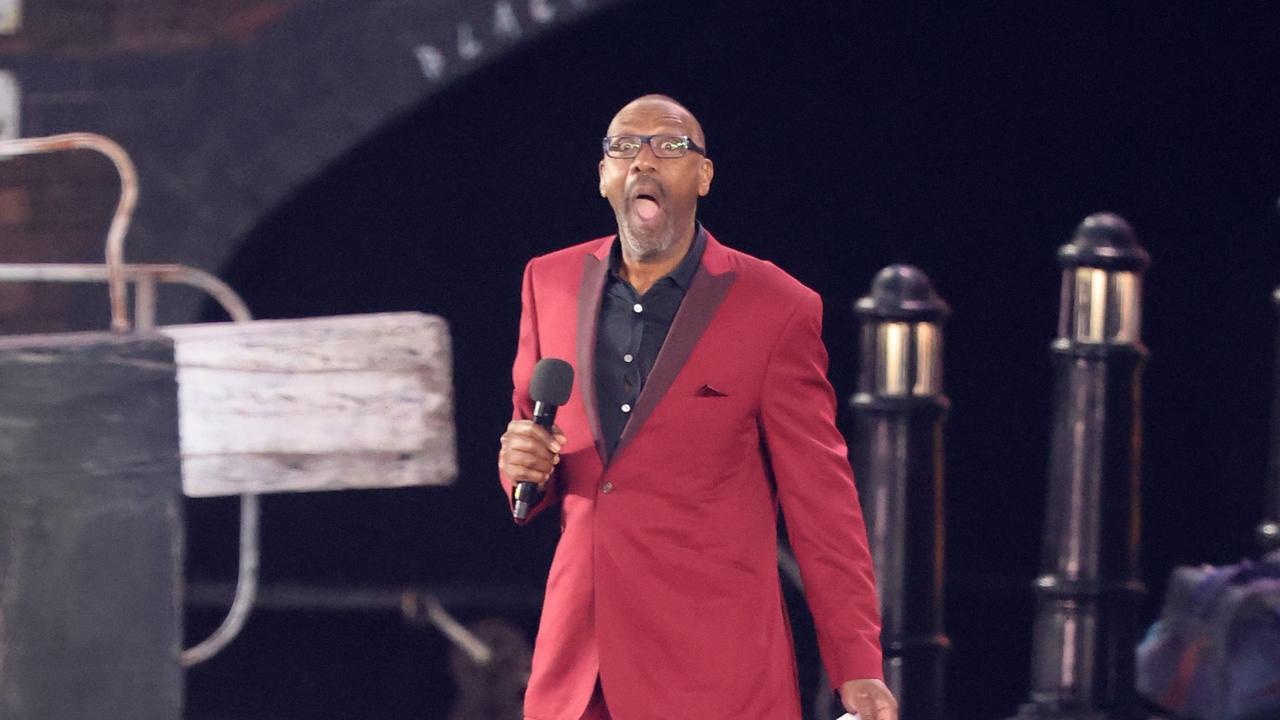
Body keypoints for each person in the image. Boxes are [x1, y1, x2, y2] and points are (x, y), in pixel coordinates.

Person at [498, 94, 897, 720]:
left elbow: (822, 504)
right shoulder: (547, 281)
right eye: (625, 146)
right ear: (603, 176)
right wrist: (520, 464)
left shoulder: (776, 307)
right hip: (580, 668)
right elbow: (536, 438)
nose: (644, 161)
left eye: (670, 145)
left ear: (704, 176)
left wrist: (857, 664)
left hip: (713, 672)